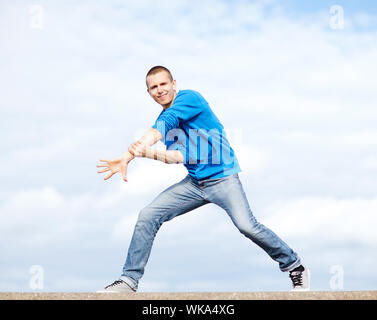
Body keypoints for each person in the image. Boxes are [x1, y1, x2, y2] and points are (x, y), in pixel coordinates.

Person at [96, 66, 310, 292]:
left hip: (223, 179)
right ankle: (129, 281)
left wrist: (139, 152)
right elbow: (177, 156)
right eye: (154, 87)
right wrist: (131, 156)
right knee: (147, 215)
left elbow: (160, 128)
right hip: (195, 184)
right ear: (149, 92)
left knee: (248, 226)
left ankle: (295, 266)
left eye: (163, 84)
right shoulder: (166, 120)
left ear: (173, 84)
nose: (160, 90)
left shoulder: (190, 98)